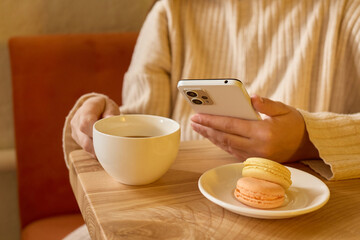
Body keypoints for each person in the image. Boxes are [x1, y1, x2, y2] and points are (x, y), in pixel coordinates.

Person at [63, 0, 360, 238]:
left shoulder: (347, 10)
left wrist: (309, 139)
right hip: (174, 218)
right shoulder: (171, 12)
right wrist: (100, 113)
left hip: (309, 227)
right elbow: (142, 119)